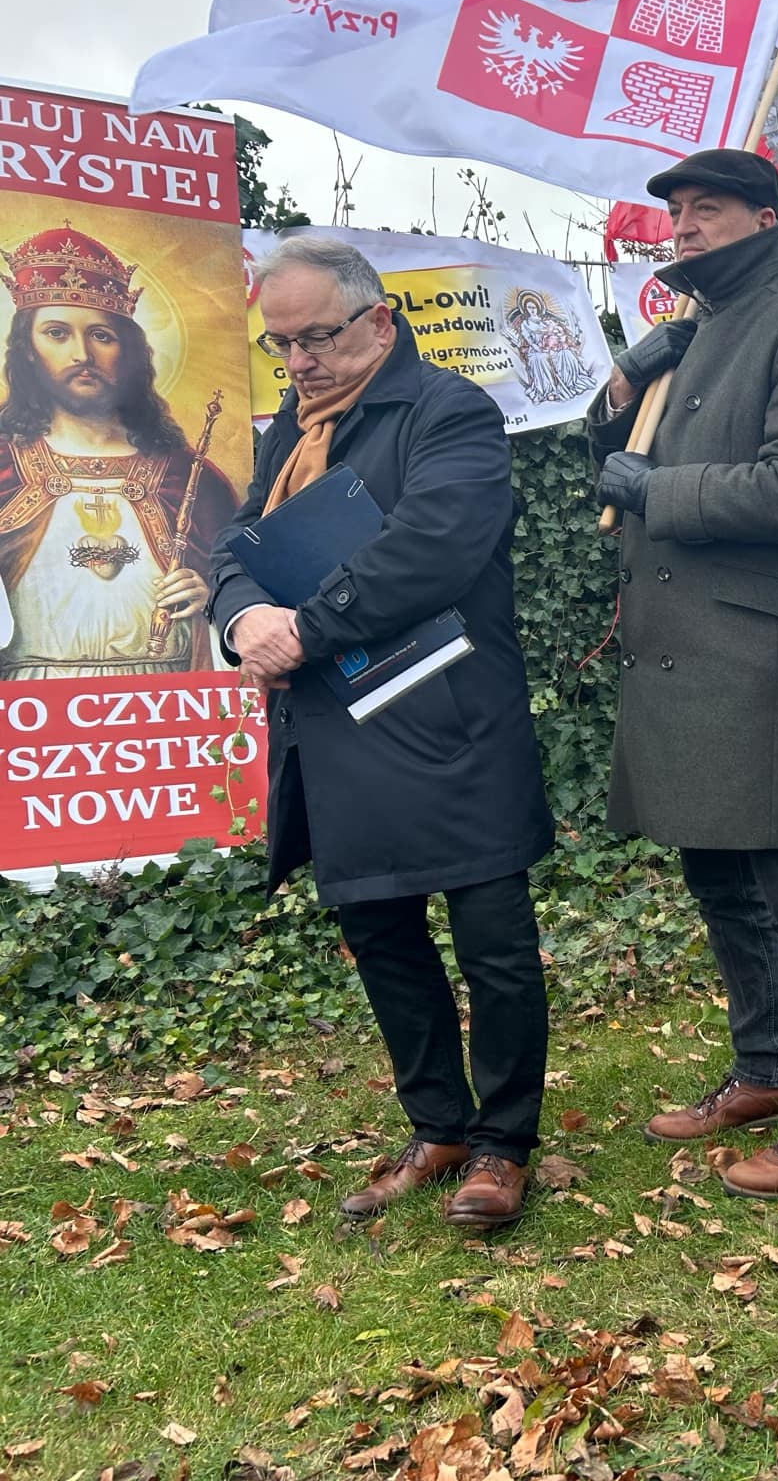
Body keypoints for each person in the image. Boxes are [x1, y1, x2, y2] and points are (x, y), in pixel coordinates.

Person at [209, 236, 554, 1232]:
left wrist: (303, 628)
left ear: (378, 321)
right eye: (281, 345)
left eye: (316, 338)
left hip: (447, 723)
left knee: (494, 946)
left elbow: (436, 548)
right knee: (382, 936)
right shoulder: (288, 431)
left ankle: (503, 1144)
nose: (300, 362)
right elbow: (240, 544)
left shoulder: (450, 411)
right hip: (335, 730)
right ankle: (438, 1125)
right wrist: (241, 619)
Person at [586, 149, 778, 1198]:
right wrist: (638, 367)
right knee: (715, 874)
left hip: (754, 650)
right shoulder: (696, 331)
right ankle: (768, 1071)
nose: (682, 230)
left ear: (765, 216)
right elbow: (607, 446)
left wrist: (657, 489)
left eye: (704, 212)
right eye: (674, 217)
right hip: (675, 647)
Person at [0, 224, 237, 677]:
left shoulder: (188, 478)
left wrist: (212, 597)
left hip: (166, 707)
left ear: (126, 349)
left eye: (101, 335)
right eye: (56, 333)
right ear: (27, 349)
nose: (81, 354)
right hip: (31, 711)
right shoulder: (4, 468)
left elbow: (247, 598)